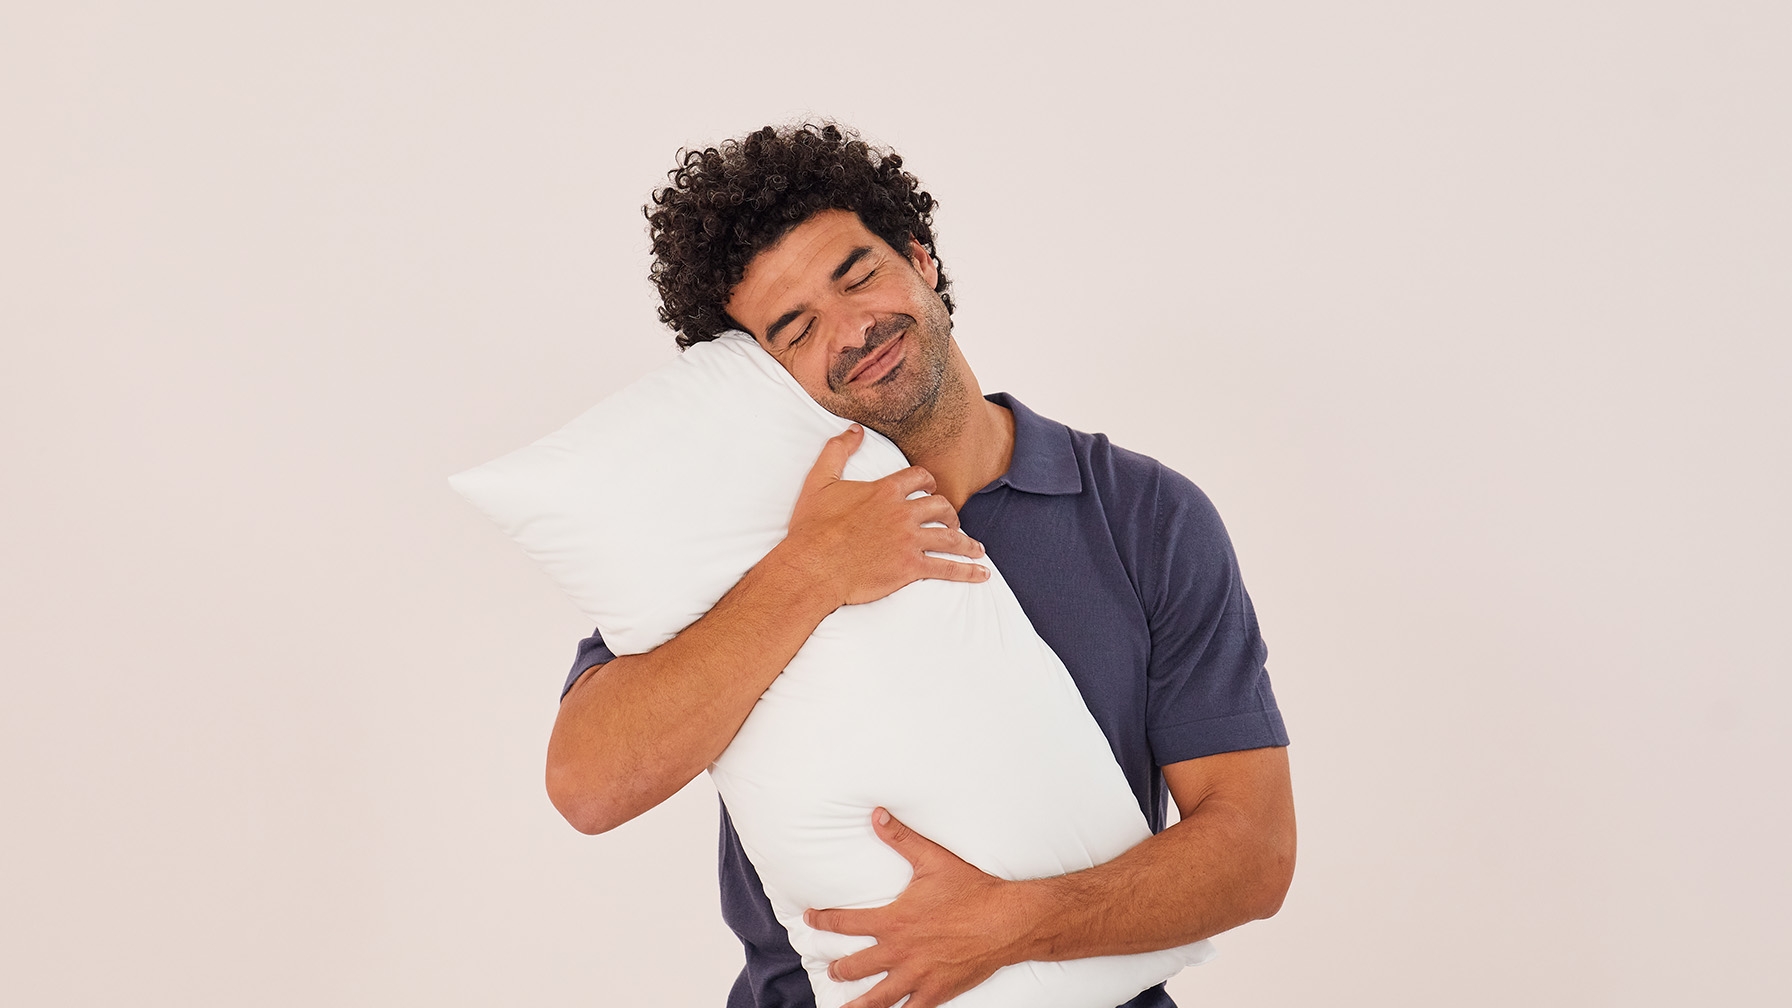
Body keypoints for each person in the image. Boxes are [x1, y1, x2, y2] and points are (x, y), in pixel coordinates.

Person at [545, 122, 1295, 1008]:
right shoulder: (744, 529)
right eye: (796, 328)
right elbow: (589, 787)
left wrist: (1007, 925)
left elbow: (1253, 853)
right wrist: (811, 571)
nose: (853, 330)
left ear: (919, 257)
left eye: (858, 275)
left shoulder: (1142, 513)